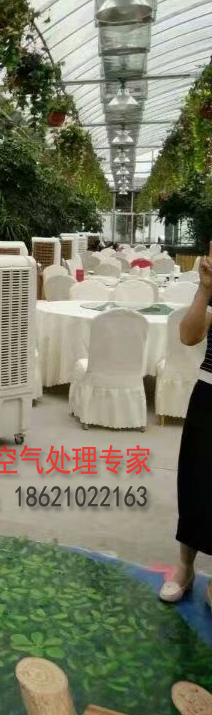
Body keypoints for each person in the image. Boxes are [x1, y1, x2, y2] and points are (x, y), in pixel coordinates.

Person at [159, 252, 212, 604]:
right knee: (195, 482)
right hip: (210, 391)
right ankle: (185, 567)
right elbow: (188, 335)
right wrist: (205, 290)